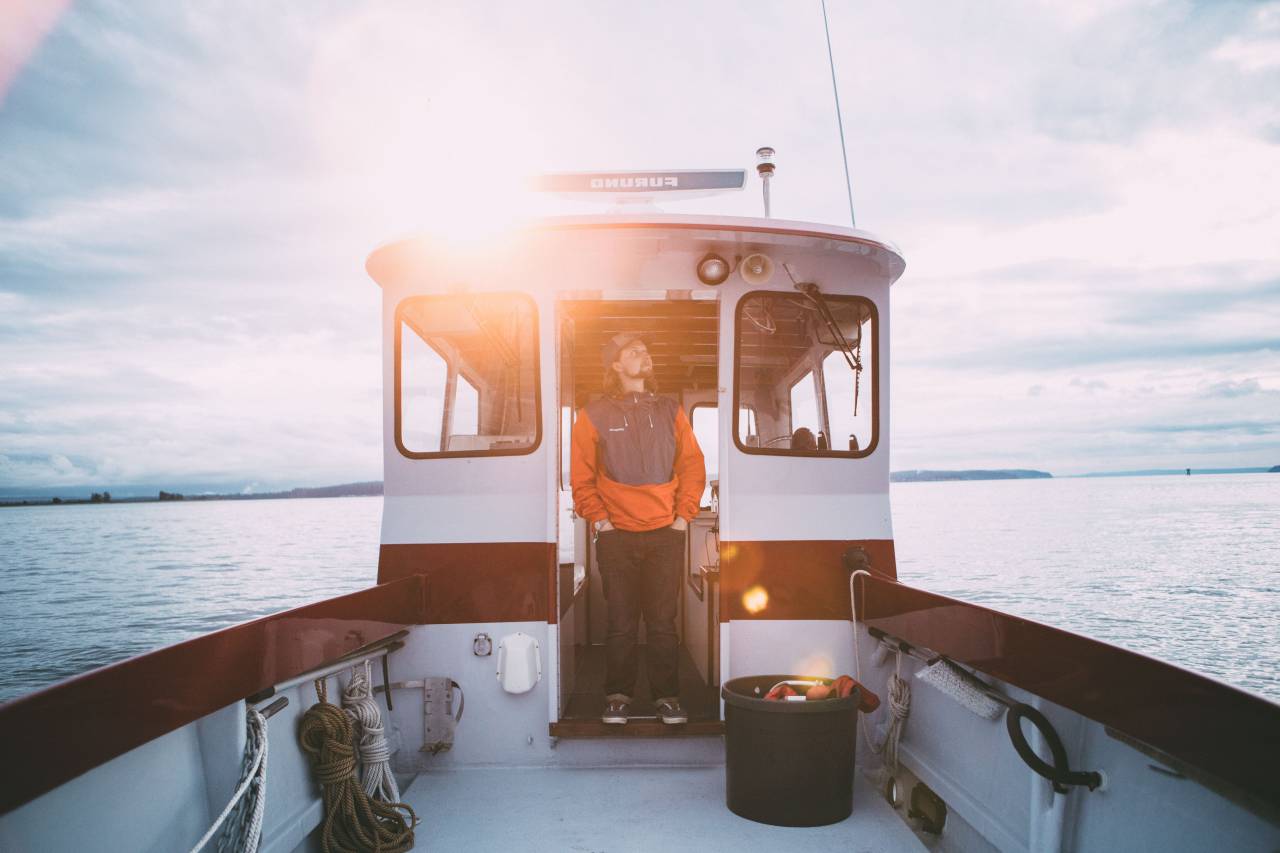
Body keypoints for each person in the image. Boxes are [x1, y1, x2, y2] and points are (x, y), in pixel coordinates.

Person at [570, 333, 706, 725]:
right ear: (615, 366)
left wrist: (683, 518)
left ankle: (667, 697)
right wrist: (603, 522)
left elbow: (692, 466)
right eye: (632, 352)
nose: (642, 354)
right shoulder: (592, 414)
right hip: (616, 536)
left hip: (666, 533)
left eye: (645, 349)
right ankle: (618, 696)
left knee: (663, 622)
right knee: (622, 622)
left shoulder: (670, 410)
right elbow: (582, 477)